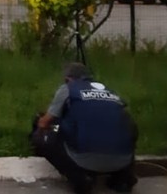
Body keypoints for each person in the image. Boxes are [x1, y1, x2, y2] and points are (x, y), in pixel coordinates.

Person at [31, 62, 137, 193]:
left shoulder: (68, 89)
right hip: (123, 158)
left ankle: (80, 178)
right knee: (122, 128)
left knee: (44, 136)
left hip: (84, 159)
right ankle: (122, 179)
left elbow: (44, 123)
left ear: (68, 79)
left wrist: (40, 121)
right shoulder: (110, 91)